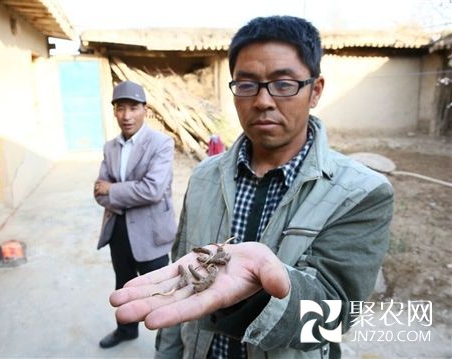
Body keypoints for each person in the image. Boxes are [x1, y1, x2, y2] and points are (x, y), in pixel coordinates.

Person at [109, 16, 394, 358]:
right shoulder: (203, 177)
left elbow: (334, 318)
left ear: (315, 90)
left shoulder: (361, 193)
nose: (262, 101)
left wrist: (259, 291)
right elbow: (179, 283)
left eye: (284, 83)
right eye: (246, 85)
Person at [93, 80, 177, 349]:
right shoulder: (110, 147)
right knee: (125, 284)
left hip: (151, 233)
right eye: (120, 108)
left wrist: (113, 190)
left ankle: (170, 344)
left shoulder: (161, 143)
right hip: (118, 230)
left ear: (145, 109)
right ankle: (126, 330)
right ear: (114, 111)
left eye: (133, 108)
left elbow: (152, 190)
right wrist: (126, 195)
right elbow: (98, 192)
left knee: (162, 292)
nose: (126, 116)